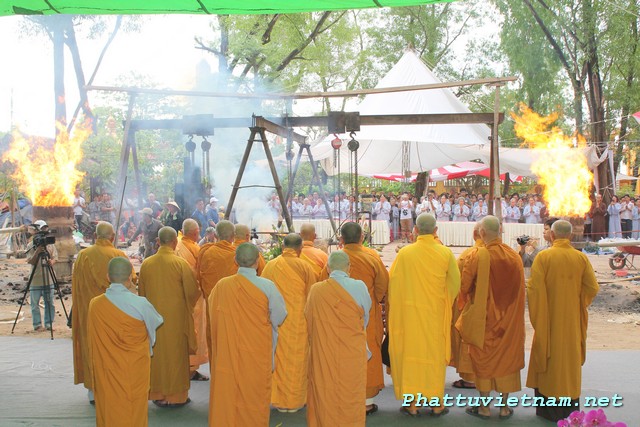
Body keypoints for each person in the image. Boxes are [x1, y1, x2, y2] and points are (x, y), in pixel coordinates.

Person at [527, 220, 599, 422]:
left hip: (548, 319)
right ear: (570, 236)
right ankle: (569, 411)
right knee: (568, 361)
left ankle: (548, 411)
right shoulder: (580, 258)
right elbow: (592, 288)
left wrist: (540, 314)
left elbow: (534, 289)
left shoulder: (544, 257)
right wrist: (578, 303)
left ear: (552, 236)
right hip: (571, 321)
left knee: (550, 359)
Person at [388, 213, 460, 416]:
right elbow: (455, 284)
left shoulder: (405, 253)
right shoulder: (445, 253)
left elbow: (393, 284)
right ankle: (436, 405)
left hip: (409, 315)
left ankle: (412, 405)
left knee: (411, 356)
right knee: (433, 357)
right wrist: (443, 302)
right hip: (434, 315)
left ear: (416, 230)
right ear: (436, 230)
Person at [209, 243, 287, 426]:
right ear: (258, 262)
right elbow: (279, 316)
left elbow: (213, 314)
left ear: (235, 261)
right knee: (254, 391)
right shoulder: (267, 286)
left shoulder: (222, 285)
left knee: (229, 387)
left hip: (228, 351)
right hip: (256, 351)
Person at [459, 216, 525, 420]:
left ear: (482, 233)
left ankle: (484, 407)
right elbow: (520, 289)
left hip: (485, 318)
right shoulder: (514, 256)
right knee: (507, 358)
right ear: (500, 231)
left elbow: (464, 286)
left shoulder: (478, 255)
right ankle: (504, 407)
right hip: (509, 320)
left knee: (483, 358)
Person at [319, 222, 388, 415]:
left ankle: (340, 398)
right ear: (362, 238)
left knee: (338, 353)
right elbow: (382, 285)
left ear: (341, 239)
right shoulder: (371, 257)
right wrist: (372, 299)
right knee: (368, 352)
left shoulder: (334, 260)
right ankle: (366, 402)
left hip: (337, 315)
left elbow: (322, 283)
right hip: (366, 314)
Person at [87, 257, 163, 427]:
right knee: (133, 406)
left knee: (109, 405)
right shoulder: (140, 303)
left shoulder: (95, 304)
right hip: (133, 368)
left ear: (108, 277)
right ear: (130, 277)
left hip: (106, 369)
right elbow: (156, 321)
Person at [306, 251, 371, 426]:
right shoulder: (359, 286)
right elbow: (365, 316)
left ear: (328, 268)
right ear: (349, 268)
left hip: (324, 351)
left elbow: (309, 318)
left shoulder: (316, 290)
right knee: (351, 389)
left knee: (325, 389)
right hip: (351, 349)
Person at [72, 221, 136, 403]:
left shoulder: (83, 255)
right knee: (113, 350)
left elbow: (76, 286)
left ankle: (93, 390)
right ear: (113, 237)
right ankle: (113, 387)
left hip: (89, 313)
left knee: (91, 347)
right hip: (113, 314)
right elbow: (130, 281)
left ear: (95, 236)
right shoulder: (118, 255)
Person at [138, 227, 199, 407]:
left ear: (158, 241)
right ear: (175, 242)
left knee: (156, 354)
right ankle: (176, 397)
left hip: (153, 319)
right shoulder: (180, 264)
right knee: (176, 355)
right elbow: (192, 292)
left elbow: (141, 294)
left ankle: (158, 394)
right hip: (176, 319)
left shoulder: (147, 264)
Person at [261, 234, 317, 412]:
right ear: (300, 249)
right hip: (298, 323)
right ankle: (294, 401)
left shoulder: (271, 265)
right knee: (296, 360)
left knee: (277, 358)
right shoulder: (305, 266)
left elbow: (262, 294)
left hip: (275, 321)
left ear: (283, 247)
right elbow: (311, 296)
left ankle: (278, 400)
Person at [197, 220, 238, 360]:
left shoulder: (206, 253)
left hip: (213, 303)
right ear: (233, 236)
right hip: (233, 305)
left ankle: (215, 369)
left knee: (215, 337)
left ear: (215, 235)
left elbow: (200, 278)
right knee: (232, 340)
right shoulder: (237, 254)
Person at [175, 219, 208, 382]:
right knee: (195, 330)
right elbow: (201, 272)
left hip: (177, 294)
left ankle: (182, 364)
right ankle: (191, 367)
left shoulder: (176, 245)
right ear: (195, 233)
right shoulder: (195, 249)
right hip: (194, 295)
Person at [451, 223, 482, 390]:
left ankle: (471, 378)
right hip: (496, 309)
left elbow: (461, 283)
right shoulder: (506, 254)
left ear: (475, 234)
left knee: (469, 338)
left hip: (473, 305)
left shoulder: (470, 254)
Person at [27, 220, 58, 331]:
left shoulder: (50, 244)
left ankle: (49, 324)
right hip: (35, 279)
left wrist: (51, 262)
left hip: (49, 278)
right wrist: (38, 251)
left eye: (45, 228)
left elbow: (55, 258)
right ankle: (37, 325)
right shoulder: (31, 245)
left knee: (50, 303)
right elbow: (31, 261)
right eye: (42, 228)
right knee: (34, 304)